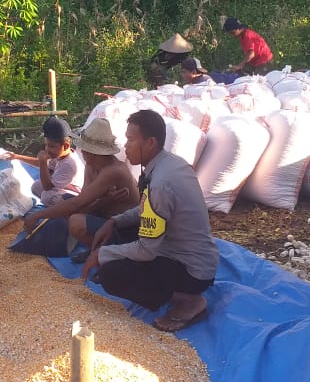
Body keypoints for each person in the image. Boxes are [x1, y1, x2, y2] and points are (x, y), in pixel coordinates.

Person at [81, 109, 219, 333]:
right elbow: (146, 211)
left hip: (192, 270)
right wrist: (115, 221)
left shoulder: (160, 184)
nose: (126, 146)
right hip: (183, 252)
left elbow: (146, 250)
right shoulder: (170, 164)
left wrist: (102, 255)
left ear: (151, 143)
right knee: (122, 235)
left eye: (130, 139)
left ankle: (189, 301)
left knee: (111, 275)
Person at [20, 117, 140, 248]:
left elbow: (78, 204)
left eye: (84, 149)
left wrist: (37, 215)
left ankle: (104, 251)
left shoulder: (114, 171)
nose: (81, 152)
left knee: (76, 222)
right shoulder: (91, 165)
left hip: (123, 228)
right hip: (103, 215)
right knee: (63, 201)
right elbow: (84, 205)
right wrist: (105, 201)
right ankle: (91, 244)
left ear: (92, 153)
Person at [3, 117, 85, 206]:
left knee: (47, 196)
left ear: (65, 146)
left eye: (51, 146)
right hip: (63, 187)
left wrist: (43, 162)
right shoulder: (60, 155)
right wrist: (16, 156)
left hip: (76, 196)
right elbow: (41, 163)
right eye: (46, 145)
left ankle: (61, 211)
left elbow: (47, 187)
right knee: (36, 186)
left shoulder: (69, 164)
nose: (47, 149)